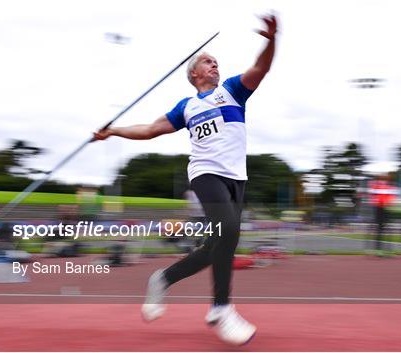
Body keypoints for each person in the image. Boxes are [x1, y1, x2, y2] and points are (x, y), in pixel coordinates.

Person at [93, 14, 278, 345]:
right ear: (194, 73)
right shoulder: (187, 106)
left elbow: (260, 69)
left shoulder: (233, 91)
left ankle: (162, 279)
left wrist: (270, 40)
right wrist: (113, 131)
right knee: (228, 231)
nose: (215, 66)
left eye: (217, 62)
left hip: (237, 178)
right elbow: (150, 130)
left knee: (216, 247)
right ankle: (221, 309)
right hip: (206, 173)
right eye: (208, 61)